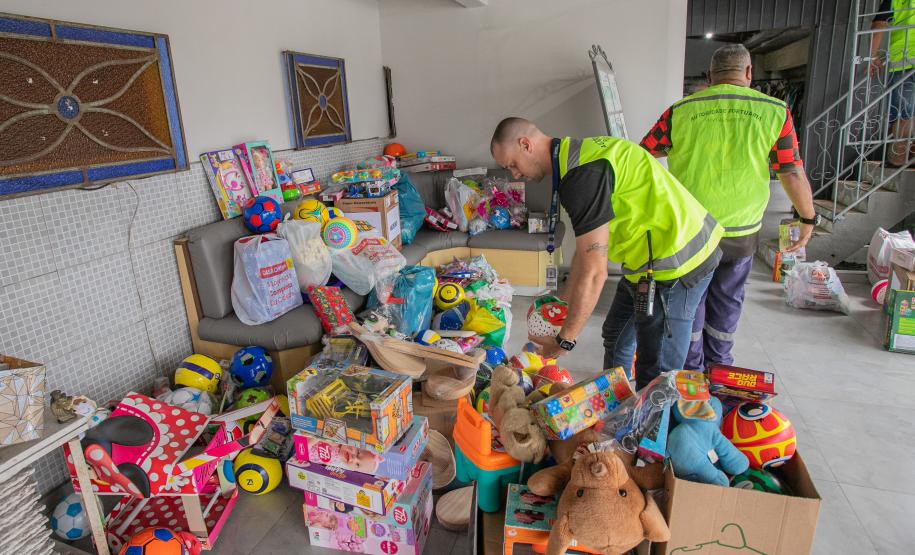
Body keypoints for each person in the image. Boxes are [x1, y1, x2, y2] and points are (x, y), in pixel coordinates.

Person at [490, 118, 723, 390]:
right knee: (616, 335)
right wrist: (564, 301)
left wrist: (565, 339)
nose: (515, 175)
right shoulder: (577, 156)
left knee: (658, 372)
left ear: (525, 144)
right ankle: (615, 404)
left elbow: (595, 272)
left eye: (513, 165)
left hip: (677, 263)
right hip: (645, 262)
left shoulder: (582, 177)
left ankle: (655, 428)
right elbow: (585, 251)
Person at [640, 44, 817, 370]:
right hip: (741, 230)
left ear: (710, 76)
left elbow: (643, 156)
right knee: (727, 298)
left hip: (691, 230)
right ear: (749, 73)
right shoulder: (775, 111)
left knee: (690, 302)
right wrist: (807, 216)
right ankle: (719, 368)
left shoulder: (681, 110)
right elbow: (791, 171)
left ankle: (690, 375)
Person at [871, 0, 915, 166]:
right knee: (907, 115)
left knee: (904, 115)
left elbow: (878, 25)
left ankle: (897, 162)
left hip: (903, 61)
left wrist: (871, 56)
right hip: (903, 61)